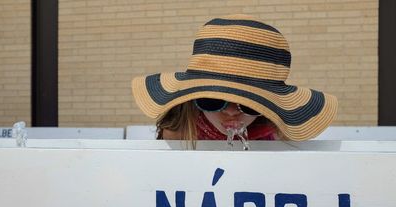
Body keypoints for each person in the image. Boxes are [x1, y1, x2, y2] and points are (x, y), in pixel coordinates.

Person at [132, 14, 338, 145]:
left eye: (250, 104)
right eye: (212, 100)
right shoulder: (179, 131)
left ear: (270, 107)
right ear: (194, 98)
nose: (231, 111)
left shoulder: (277, 138)